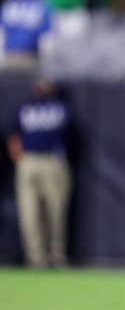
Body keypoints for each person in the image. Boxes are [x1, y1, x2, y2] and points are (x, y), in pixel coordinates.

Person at [7, 80, 72, 268]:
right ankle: (36, 258)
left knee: (56, 210)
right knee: (29, 212)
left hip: (53, 160)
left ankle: (57, 256)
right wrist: (20, 158)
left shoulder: (61, 108)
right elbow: (13, 135)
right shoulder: (24, 107)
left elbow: (71, 137)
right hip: (29, 160)